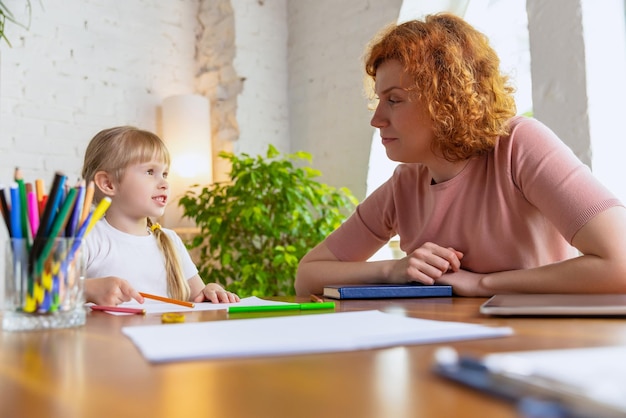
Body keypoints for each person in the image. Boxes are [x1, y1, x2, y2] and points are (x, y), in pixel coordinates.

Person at [295, 13, 626, 297]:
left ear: (444, 100)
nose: (376, 119)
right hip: (441, 356)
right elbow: (308, 275)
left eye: (394, 100)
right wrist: (392, 270)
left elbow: (620, 261)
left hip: (538, 354)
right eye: (379, 100)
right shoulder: (404, 185)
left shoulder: (519, 145)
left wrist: (483, 284)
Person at [82, 126, 240, 306]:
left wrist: (211, 290)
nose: (164, 183)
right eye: (150, 172)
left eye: (165, 173)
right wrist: (86, 289)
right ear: (108, 183)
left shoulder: (170, 240)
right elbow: (49, 293)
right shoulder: (87, 238)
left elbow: (198, 297)